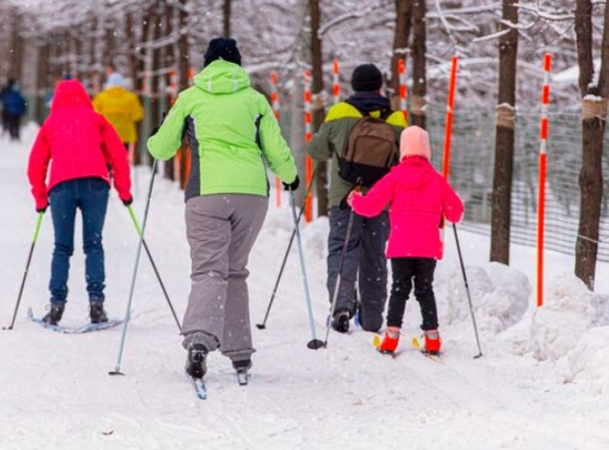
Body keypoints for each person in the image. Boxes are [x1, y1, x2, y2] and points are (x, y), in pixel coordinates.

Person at [147, 38, 298, 381]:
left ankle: (200, 341)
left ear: (207, 63)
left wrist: (156, 136)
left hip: (207, 193)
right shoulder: (255, 100)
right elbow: (276, 149)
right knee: (234, 270)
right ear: (237, 63)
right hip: (252, 195)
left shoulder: (190, 98)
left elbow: (162, 149)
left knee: (209, 271)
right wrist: (290, 177)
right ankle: (240, 353)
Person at [308, 63, 408, 334]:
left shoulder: (340, 112)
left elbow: (317, 150)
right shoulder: (396, 119)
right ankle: (373, 317)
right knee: (375, 255)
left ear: (353, 85)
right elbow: (404, 158)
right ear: (379, 86)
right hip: (380, 199)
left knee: (342, 250)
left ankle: (341, 308)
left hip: (345, 197)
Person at [348, 126, 463, 354]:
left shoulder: (394, 177)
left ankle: (391, 338)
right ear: (427, 150)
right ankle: (432, 338)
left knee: (399, 290)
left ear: (404, 149)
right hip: (427, 247)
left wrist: (355, 200)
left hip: (401, 246)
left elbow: (371, 206)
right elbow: (455, 212)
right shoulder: (436, 179)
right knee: (425, 290)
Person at [27, 79, 132, 326]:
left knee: (62, 247)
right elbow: (118, 154)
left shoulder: (51, 123)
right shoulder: (97, 120)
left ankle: (56, 306)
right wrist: (124, 191)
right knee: (93, 244)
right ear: (85, 96)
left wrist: (40, 197)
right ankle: (97, 303)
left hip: (61, 186)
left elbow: (35, 163)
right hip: (95, 184)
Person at [92, 72, 144, 158]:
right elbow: (137, 116)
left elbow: (94, 115)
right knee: (122, 158)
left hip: (106, 134)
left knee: (107, 159)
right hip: (125, 135)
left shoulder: (100, 98)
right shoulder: (131, 98)